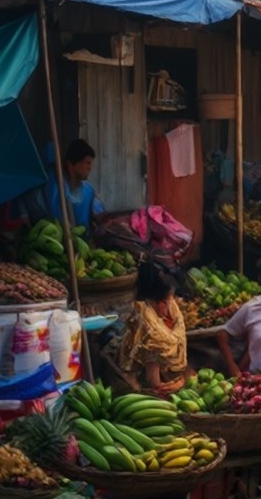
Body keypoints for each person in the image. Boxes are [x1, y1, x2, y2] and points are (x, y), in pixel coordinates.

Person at [118, 259, 187, 395]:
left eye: (170, 298)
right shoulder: (146, 323)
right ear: (152, 299)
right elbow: (155, 384)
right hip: (148, 387)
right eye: (163, 302)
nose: (168, 307)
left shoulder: (171, 307)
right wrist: (174, 386)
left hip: (174, 378)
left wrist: (181, 382)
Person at [43, 140, 105, 230]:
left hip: (82, 241)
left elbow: (99, 215)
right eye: (87, 163)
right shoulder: (56, 187)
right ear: (71, 164)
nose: (90, 168)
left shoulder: (88, 190)